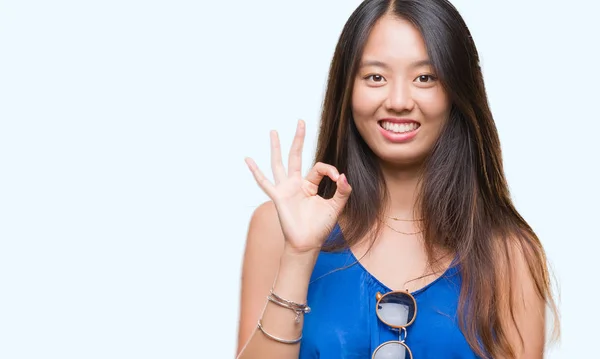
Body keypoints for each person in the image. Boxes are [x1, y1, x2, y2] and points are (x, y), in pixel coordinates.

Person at [236, 0, 559, 358]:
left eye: (425, 77)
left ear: (456, 89)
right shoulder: (277, 228)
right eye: (376, 77)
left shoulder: (509, 254)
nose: (399, 101)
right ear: (347, 89)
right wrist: (298, 255)